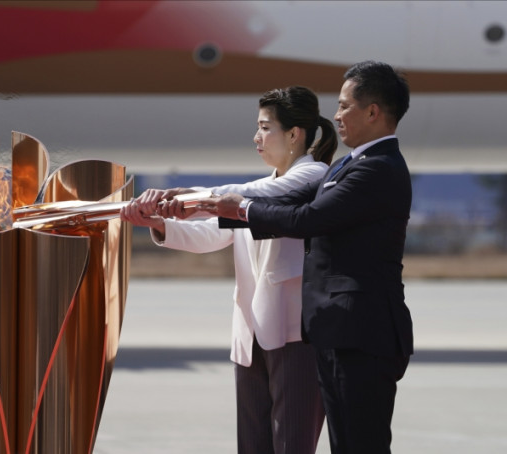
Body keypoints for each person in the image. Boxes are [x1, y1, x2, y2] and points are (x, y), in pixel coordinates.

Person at [190, 61, 414, 454]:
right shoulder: (348, 165)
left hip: (363, 333)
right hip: (337, 330)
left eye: (345, 106)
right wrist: (192, 206)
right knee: (347, 442)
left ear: (373, 112)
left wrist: (240, 208)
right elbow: (280, 201)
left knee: (362, 443)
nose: (337, 116)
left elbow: (309, 218)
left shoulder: (376, 169)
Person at [121, 86, 338, 454]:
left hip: (295, 337)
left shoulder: (312, 177)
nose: (256, 137)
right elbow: (210, 233)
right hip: (251, 336)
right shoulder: (263, 189)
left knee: (292, 446)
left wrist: (184, 197)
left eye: (265, 127)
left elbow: (241, 198)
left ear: (294, 134)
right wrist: (159, 223)